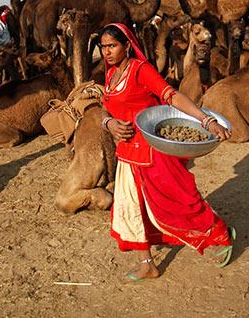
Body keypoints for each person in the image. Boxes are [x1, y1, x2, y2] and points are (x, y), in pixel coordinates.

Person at [99, 23, 233, 284]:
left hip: (153, 150)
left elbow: (171, 96)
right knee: (130, 207)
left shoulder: (140, 70)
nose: (107, 52)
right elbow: (107, 108)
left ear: (127, 45)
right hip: (127, 154)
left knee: (178, 201)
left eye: (112, 46)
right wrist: (109, 124)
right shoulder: (111, 75)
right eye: (103, 47)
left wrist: (206, 121)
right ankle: (147, 264)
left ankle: (219, 235)